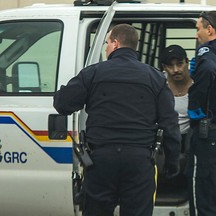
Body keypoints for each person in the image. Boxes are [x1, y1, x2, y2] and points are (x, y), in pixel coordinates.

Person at [53, 24, 181, 216]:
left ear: (115, 43)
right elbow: (170, 124)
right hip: (140, 161)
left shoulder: (93, 73)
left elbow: (62, 105)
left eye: (106, 43)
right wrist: (172, 163)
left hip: (101, 161)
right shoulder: (155, 77)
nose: (105, 48)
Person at [187, 11, 216, 216]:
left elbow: (207, 71)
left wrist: (195, 112)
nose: (197, 35)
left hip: (209, 137)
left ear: (210, 29)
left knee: (203, 198)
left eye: (198, 29)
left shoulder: (206, 55)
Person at [161, 44, 193, 155]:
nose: (176, 70)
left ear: (187, 62)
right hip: (164, 139)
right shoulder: (159, 84)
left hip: (191, 140)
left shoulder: (199, 83)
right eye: (170, 66)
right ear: (164, 67)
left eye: (180, 64)